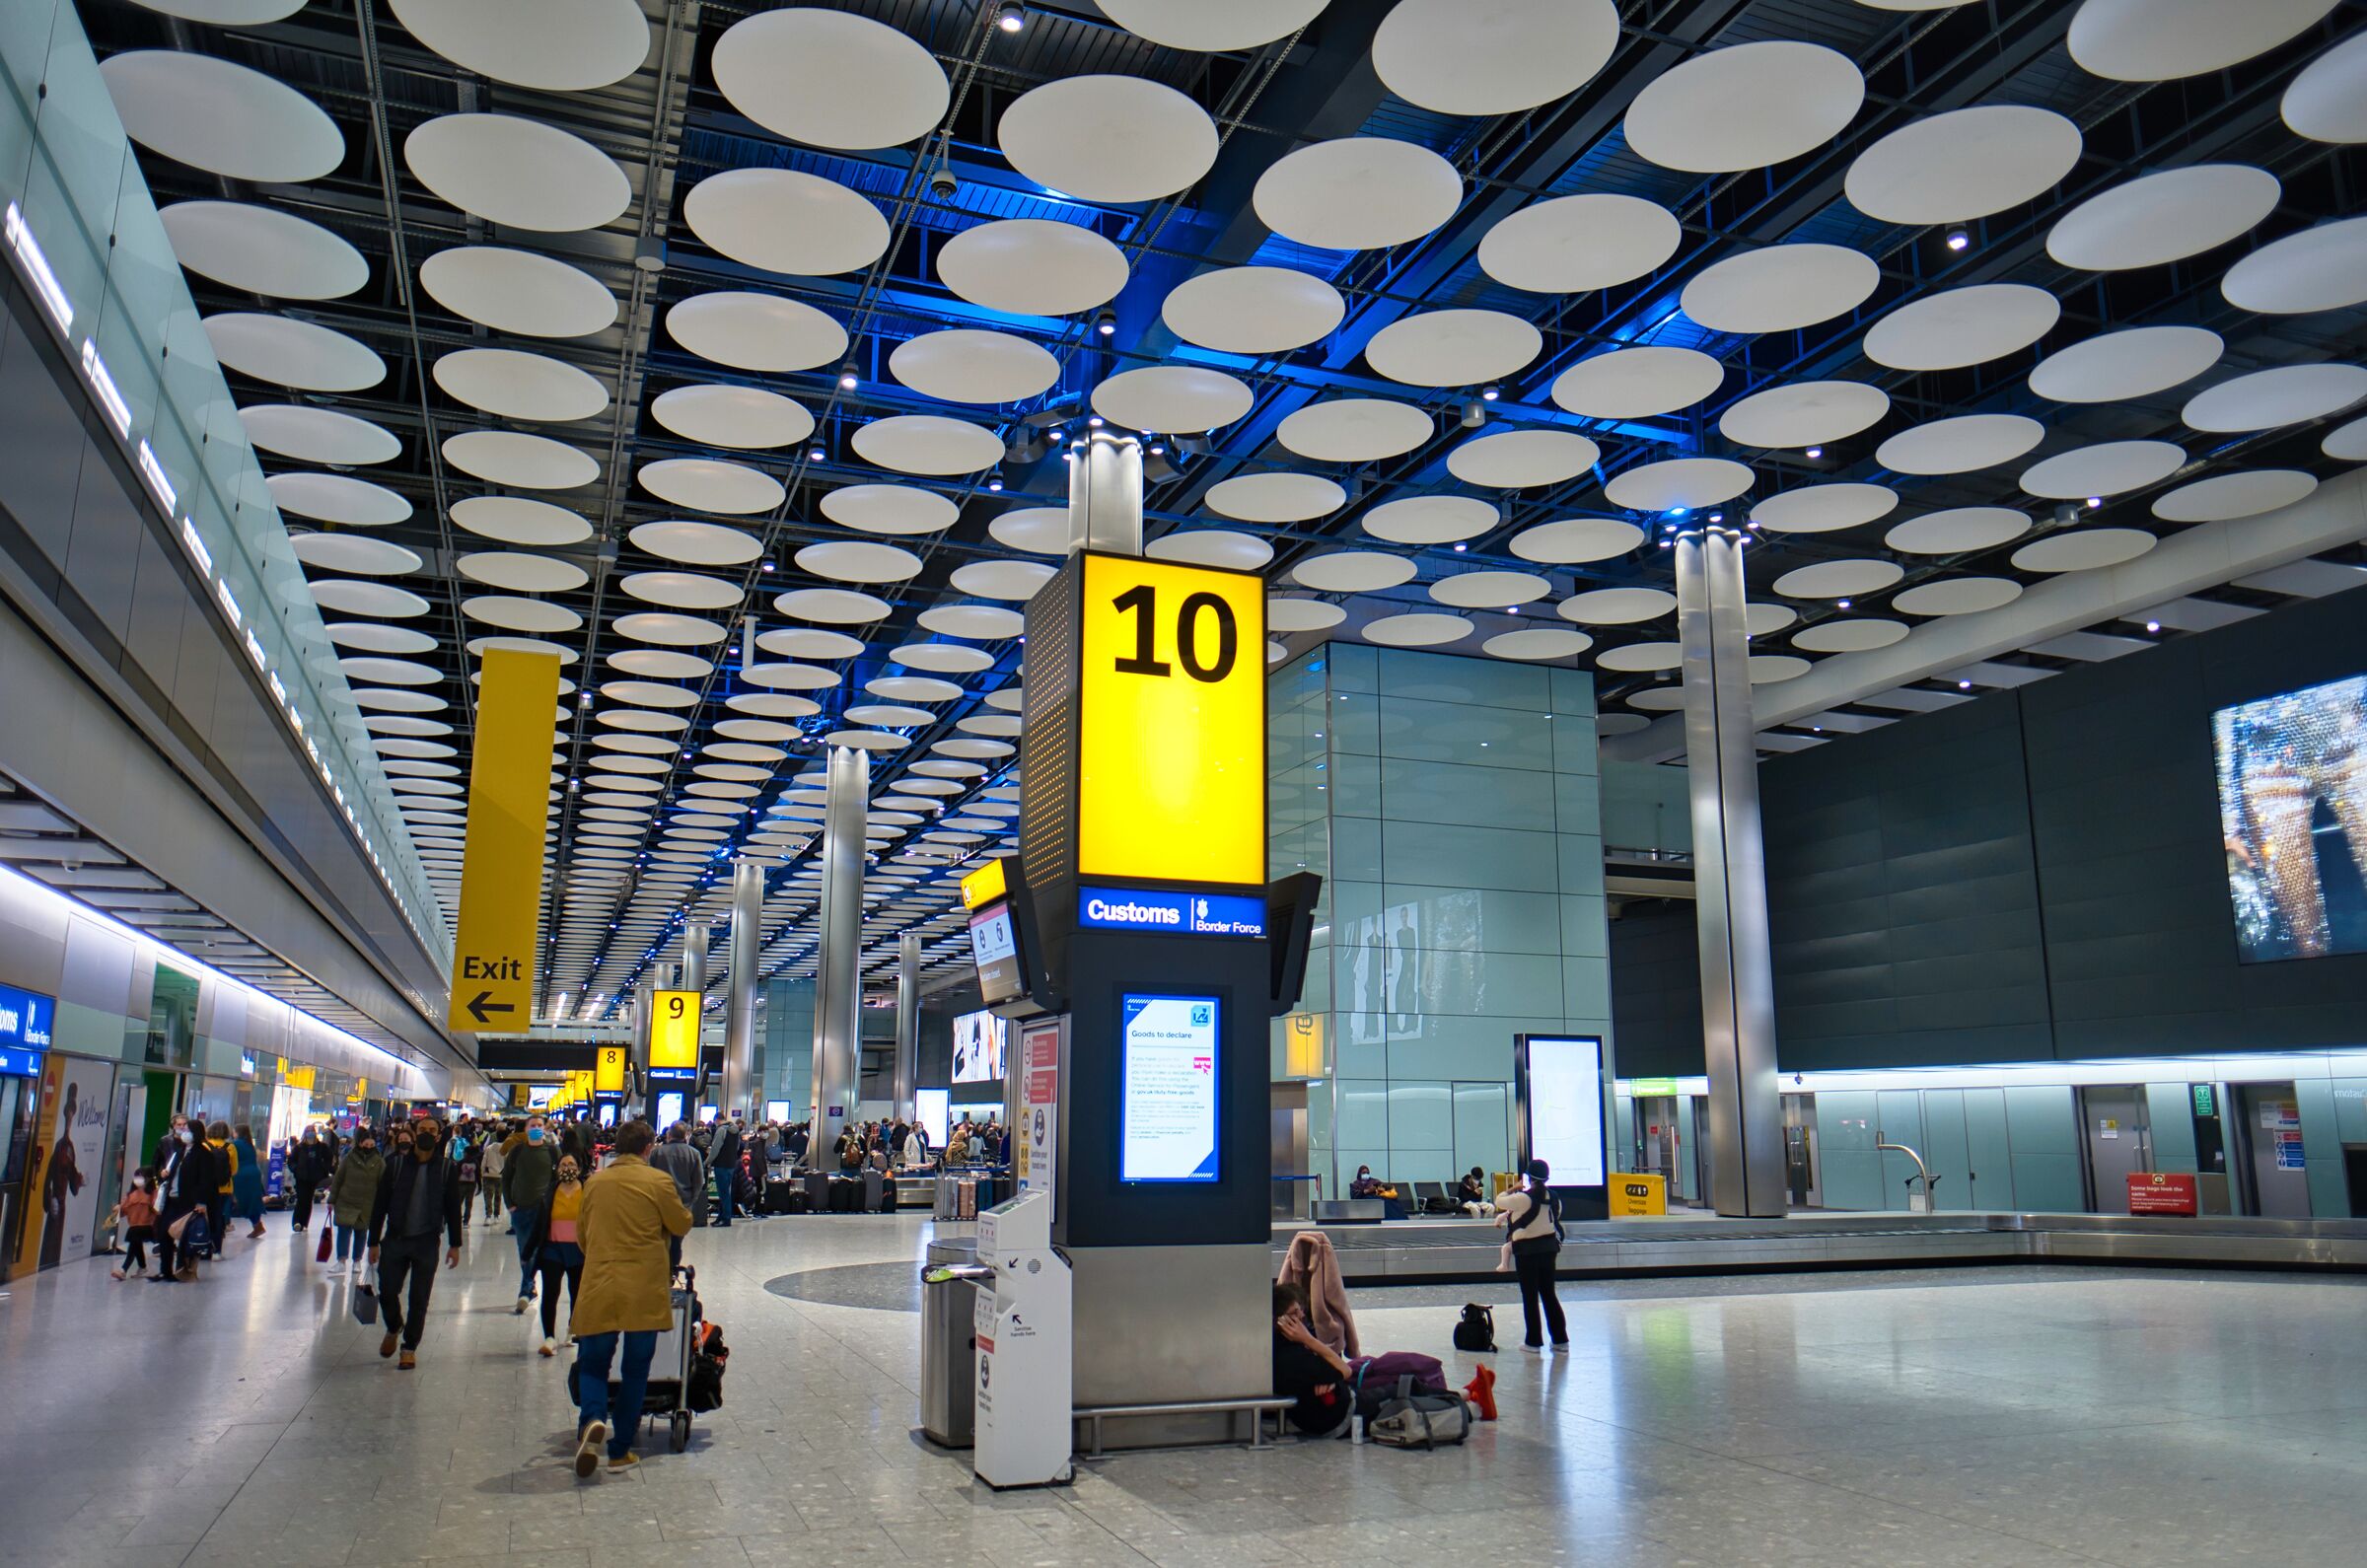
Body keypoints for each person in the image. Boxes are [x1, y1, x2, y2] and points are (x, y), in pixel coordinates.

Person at [570, 1119, 691, 1476]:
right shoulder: (657, 1182)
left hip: (600, 1283)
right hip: (643, 1287)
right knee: (636, 1369)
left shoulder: (594, 1183)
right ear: (648, 1148)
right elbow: (682, 1223)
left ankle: (592, 1418)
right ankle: (620, 1449)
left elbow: (582, 1236)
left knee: (593, 1364)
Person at [368, 1118, 464, 1370]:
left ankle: (409, 1347)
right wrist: (373, 1242)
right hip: (395, 1239)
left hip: (427, 1242)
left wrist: (455, 1244)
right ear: (413, 1133)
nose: (427, 1135)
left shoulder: (445, 1168)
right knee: (387, 1292)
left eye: (432, 1131)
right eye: (422, 1131)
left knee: (419, 1299)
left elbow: (453, 1209)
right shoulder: (396, 1165)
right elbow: (380, 1205)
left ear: (439, 1134)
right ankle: (394, 1325)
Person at [1495, 1159, 1568, 1353]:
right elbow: (1557, 1215)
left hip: (1526, 1252)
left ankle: (1533, 1342)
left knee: (1530, 1297)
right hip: (1548, 1250)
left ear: (1529, 1177)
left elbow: (1499, 1200)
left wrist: (1514, 1188)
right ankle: (1561, 1340)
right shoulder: (1554, 1197)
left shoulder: (1522, 1198)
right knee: (1549, 1294)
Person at [1271, 1282, 1353, 1436]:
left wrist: (1329, 1378)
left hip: (1334, 1398)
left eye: (1300, 1310)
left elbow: (1329, 1369)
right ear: (1280, 1321)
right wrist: (1308, 1339)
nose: (1301, 1315)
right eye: (1294, 1313)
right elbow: (1345, 1369)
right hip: (1340, 1415)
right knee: (1396, 1386)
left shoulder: (1278, 1346)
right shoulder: (1293, 1356)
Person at [536, 1153, 588, 1358]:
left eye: (572, 1164)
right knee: (550, 1292)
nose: (568, 1168)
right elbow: (540, 1222)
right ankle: (549, 1337)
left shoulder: (587, 1190)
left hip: (579, 1250)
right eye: (564, 1165)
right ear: (557, 1169)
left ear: (579, 1168)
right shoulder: (550, 1191)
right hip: (553, 1249)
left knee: (577, 1292)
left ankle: (573, 1329)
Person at [504, 1115, 558, 1315]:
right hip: (520, 1210)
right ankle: (530, 1287)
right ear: (525, 1129)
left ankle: (525, 1290)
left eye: (539, 1126)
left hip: (542, 1211)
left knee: (534, 1250)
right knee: (524, 1251)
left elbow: (557, 1178)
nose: (536, 1128)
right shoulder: (517, 1151)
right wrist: (510, 1204)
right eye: (532, 1126)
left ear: (545, 1129)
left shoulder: (552, 1151)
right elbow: (506, 1178)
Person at [1276, 1231, 1360, 1358]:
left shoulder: (1292, 1258)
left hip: (1292, 1333)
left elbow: (1281, 1289)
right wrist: (1353, 1349)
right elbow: (1341, 1305)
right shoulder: (1325, 1254)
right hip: (1328, 1338)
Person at [155, 1118, 216, 1282]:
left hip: (189, 1202)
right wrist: (163, 1174)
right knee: (163, 1233)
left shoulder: (204, 1154)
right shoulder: (179, 1151)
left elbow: (206, 1180)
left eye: (187, 1129)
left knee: (184, 1236)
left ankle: (183, 1269)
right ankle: (165, 1270)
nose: (183, 1132)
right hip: (172, 1198)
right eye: (181, 1128)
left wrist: (201, 1202)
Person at [326, 1124, 383, 1275]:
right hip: (346, 1201)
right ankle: (341, 1261)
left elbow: (382, 1184)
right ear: (360, 1144)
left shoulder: (379, 1162)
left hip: (366, 1204)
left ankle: (357, 1260)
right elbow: (338, 1179)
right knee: (344, 1231)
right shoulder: (349, 1159)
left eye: (372, 1145)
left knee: (361, 1233)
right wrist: (332, 1199)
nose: (369, 1147)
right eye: (366, 1144)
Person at [647, 1124, 703, 1267]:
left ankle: (659, 1267)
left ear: (668, 1135)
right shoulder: (694, 1153)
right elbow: (698, 1181)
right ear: (685, 1136)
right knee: (676, 1240)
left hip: (658, 1203)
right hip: (683, 1203)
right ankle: (673, 1269)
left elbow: (648, 1176)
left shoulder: (656, 1153)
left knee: (659, 1238)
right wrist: (692, 1200)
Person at [108, 1169, 158, 1281]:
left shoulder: (153, 1193)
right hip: (135, 1227)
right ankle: (142, 1267)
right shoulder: (130, 1195)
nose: (138, 1179)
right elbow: (123, 1210)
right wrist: (117, 1209)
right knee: (136, 1241)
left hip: (147, 1226)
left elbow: (156, 1209)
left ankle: (124, 1269)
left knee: (135, 1238)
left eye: (141, 1176)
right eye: (137, 1176)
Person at [289, 1128, 331, 1232]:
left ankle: (304, 1223)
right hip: (301, 1177)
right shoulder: (299, 1148)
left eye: (312, 1131)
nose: (310, 1133)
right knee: (301, 1199)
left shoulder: (322, 1147)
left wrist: (324, 1169)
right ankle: (297, 1222)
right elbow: (291, 1161)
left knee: (308, 1200)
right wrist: (296, 1169)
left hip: (314, 1177)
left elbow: (329, 1158)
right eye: (308, 1131)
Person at [231, 1124, 266, 1240]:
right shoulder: (249, 1144)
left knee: (242, 1200)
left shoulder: (235, 1144)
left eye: (234, 1131)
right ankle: (257, 1225)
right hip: (254, 1173)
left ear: (237, 1132)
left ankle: (257, 1225)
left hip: (241, 1175)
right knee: (253, 1200)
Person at [707, 1115, 743, 1228]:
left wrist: (707, 1161)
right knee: (726, 1192)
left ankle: (726, 1218)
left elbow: (715, 1148)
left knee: (723, 1193)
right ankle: (721, 1217)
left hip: (721, 1164)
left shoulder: (721, 1130)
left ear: (717, 1120)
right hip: (731, 1164)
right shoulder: (735, 1130)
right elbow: (737, 1147)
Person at [206, 1121, 235, 1256]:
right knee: (219, 1218)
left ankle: (203, 1247)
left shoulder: (204, 1145)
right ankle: (217, 1250)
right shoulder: (230, 1147)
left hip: (208, 1189)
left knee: (206, 1218)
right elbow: (234, 1170)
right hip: (225, 1189)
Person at [479, 1123, 507, 1225]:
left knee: (488, 1196)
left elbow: (484, 1161)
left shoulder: (489, 1148)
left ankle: (488, 1216)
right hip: (500, 1175)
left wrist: (482, 1172)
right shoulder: (506, 1149)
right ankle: (497, 1215)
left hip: (488, 1175)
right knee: (498, 1196)